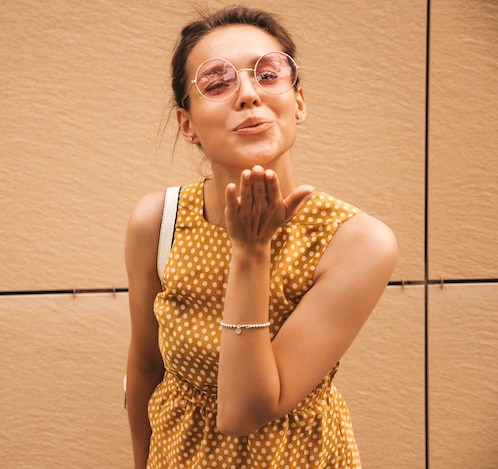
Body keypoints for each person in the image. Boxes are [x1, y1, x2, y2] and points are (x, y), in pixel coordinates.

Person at [125, 5, 397, 468]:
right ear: (187, 124)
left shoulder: (356, 241)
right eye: (216, 83)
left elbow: (244, 411)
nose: (248, 94)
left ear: (300, 102)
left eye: (268, 75)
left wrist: (251, 251)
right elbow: (146, 367)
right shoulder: (159, 220)